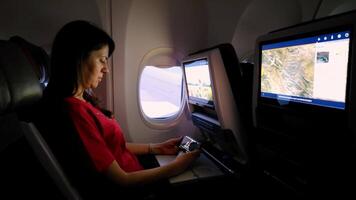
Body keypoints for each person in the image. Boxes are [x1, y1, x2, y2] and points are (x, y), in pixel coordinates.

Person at [37, 20, 200, 196]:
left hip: (137, 171)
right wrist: (177, 166)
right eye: (102, 60)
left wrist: (155, 148)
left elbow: (110, 148)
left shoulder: (83, 100)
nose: (106, 69)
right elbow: (122, 180)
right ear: (79, 58)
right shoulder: (74, 111)